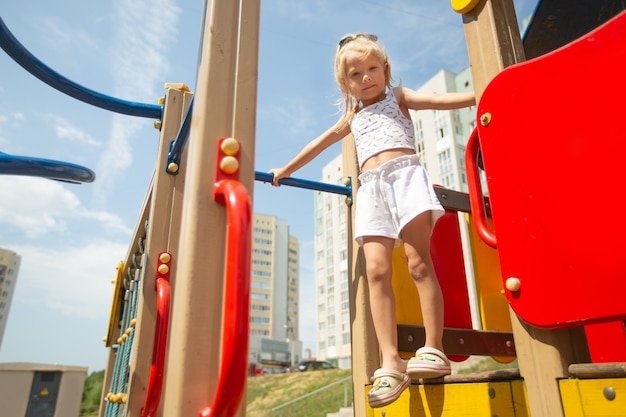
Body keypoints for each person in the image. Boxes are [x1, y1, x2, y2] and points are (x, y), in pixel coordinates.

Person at [269, 33, 476, 408]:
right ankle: (391, 360)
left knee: (417, 263)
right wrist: (285, 168)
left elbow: (440, 101)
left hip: (406, 178)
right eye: (356, 74)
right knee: (376, 272)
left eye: (372, 69)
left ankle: (433, 347)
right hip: (372, 189)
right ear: (344, 83)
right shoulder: (352, 118)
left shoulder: (398, 98)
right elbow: (317, 144)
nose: (366, 78)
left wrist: (481, 93)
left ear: (385, 70)